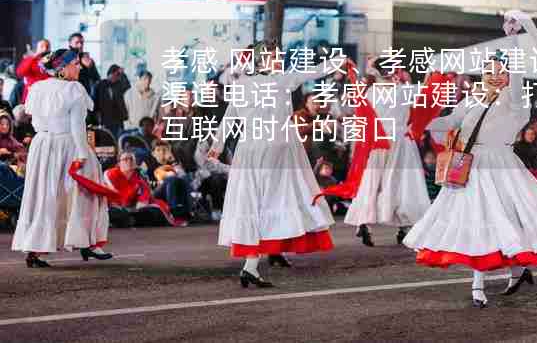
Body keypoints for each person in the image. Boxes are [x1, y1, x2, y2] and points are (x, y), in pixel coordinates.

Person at [404, 10, 537, 309]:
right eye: (488, 71)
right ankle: (481, 282)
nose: (494, 75)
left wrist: (513, 41)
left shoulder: (516, 102)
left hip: (502, 165)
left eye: (500, 71)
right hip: (470, 166)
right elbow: (449, 121)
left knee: (508, 221)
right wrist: (418, 123)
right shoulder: (471, 99)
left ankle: (511, 272)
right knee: (478, 221)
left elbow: (518, 72)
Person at [208, 40, 338, 288]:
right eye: (272, 56)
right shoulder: (280, 80)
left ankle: (251, 266)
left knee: (253, 206)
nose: (278, 59)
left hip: (249, 150)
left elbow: (229, 117)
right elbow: (317, 71)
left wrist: (217, 146)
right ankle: (260, 260)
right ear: (260, 62)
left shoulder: (242, 84)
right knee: (278, 202)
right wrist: (340, 62)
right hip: (277, 150)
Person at [11, 49, 113, 267]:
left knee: (43, 196)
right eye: (75, 63)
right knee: (83, 192)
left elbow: (33, 119)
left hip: (42, 146)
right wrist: (84, 154)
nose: (79, 67)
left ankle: (34, 250)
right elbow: (78, 128)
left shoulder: (37, 88)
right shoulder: (73, 89)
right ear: (61, 68)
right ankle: (87, 242)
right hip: (67, 145)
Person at [342, 58, 432, 247]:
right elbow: (427, 89)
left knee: (373, 183)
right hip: (400, 142)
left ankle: (363, 221)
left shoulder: (371, 93)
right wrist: (431, 71)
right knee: (403, 185)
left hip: (378, 142)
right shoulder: (403, 91)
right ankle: (404, 227)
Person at [106, 152, 185, 227]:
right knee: (114, 212)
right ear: (119, 163)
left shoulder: (139, 177)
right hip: (117, 206)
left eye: (131, 159)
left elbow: (143, 199)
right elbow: (114, 195)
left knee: (153, 211)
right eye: (125, 159)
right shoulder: (110, 174)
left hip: (135, 208)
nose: (129, 161)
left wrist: (137, 207)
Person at [513, 120, 537, 188]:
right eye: (529, 134)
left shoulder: (534, 144)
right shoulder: (519, 147)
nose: (531, 136)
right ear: (524, 134)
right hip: (525, 174)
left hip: (534, 172)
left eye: (533, 134)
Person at [93, 65, 129, 138]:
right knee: (106, 139)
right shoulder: (100, 85)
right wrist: (96, 117)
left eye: (119, 75)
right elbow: (94, 102)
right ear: (110, 74)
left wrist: (123, 74)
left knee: (118, 139)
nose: (117, 77)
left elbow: (127, 87)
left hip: (118, 119)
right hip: (104, 118)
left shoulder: (119, 85)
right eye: (116, 75)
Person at [15, 39, 50, 104]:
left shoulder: (53, 61)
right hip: (32, 96)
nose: (45, 48)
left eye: (47, 46)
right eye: (42, 46)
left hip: (47, 96)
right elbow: (20, 73)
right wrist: (34, 56)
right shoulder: (30, 59)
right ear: (37, 48)